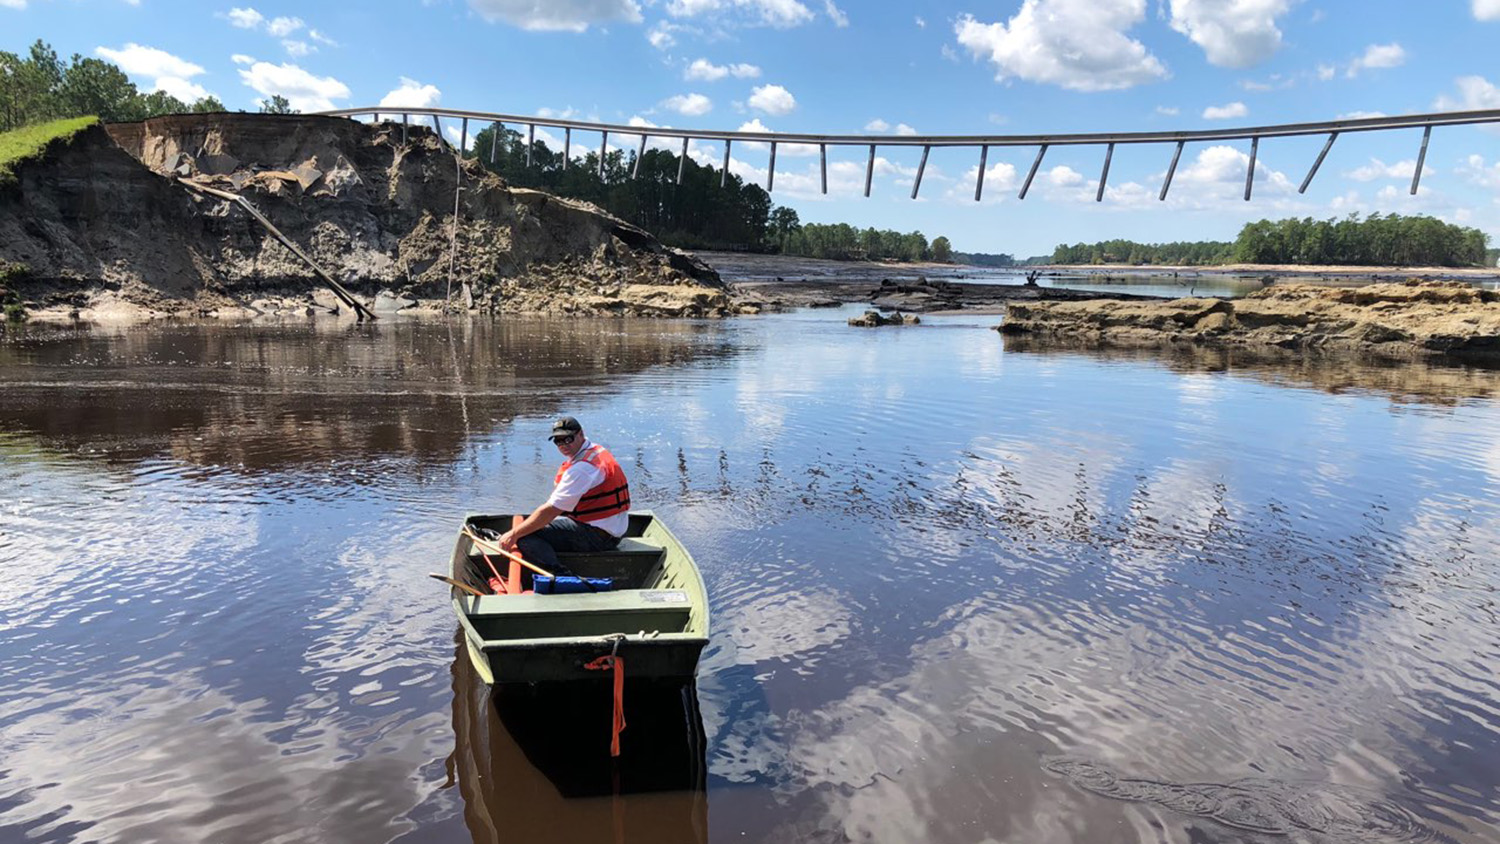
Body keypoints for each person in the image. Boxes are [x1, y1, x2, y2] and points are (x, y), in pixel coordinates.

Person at [498, 416, 630, 572]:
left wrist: (513, 534)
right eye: (558, 441)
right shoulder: (595, 451)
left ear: (580, 434)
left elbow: (551, 510)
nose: (563, 445)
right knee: (531, 524)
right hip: (613, 531)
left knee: (525, 535)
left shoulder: (582, 469)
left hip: (597, 538)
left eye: (568, 439)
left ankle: (558, 572)